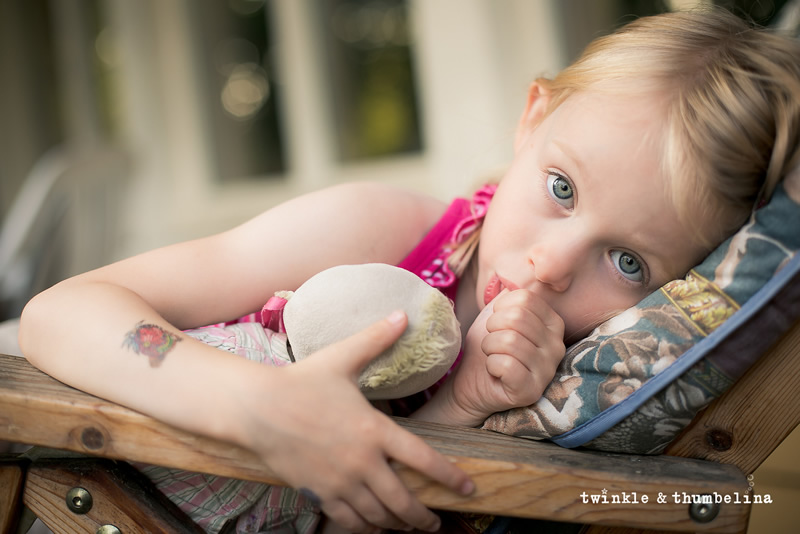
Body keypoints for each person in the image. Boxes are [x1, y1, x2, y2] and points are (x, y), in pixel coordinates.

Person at [18, 7, 800, 534]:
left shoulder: (558, 379)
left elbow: (352, 509)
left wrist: (464, 403)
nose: (553, 264)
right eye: (561, 188)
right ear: (532, 120)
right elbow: (63, 310)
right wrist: (257, 405)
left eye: (628, 261)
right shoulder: (380, 230)